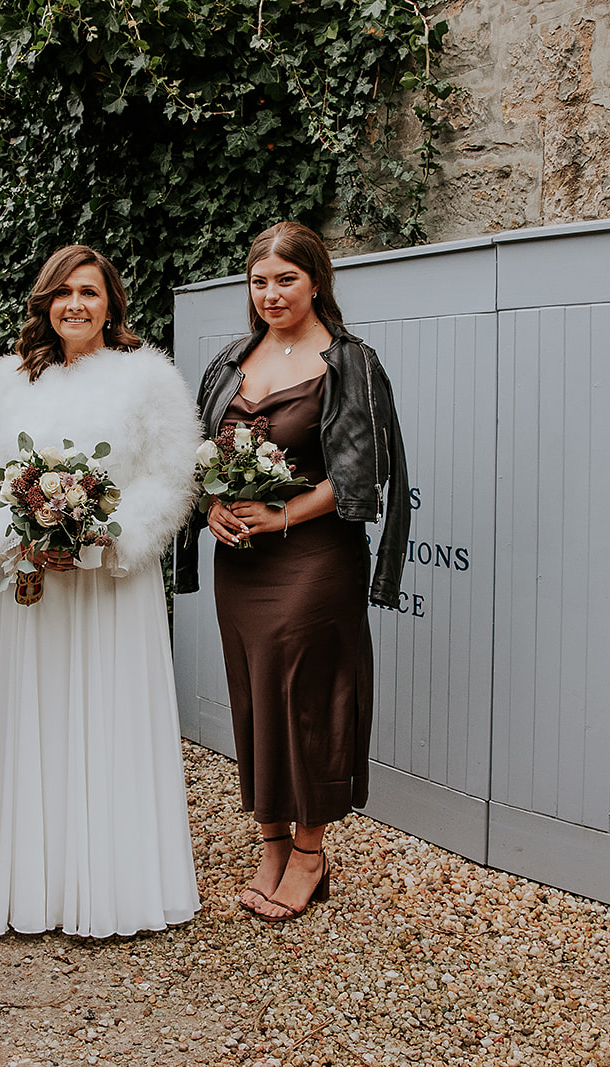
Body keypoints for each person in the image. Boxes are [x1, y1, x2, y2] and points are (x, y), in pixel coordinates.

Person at [0, 244, 202, 937]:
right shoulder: (7, 382)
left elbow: (169, 473)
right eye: (62, 292)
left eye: (89, 292)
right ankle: (36, 885)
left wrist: (105, 537)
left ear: (111, 304)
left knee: (110, 714)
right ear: (44, 302)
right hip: (33, 584)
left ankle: (118, 887)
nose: (75, 304)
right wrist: (18, 537)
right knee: (40, 718)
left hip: (110, 587)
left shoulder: (145, 378)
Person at [175, 220, 409, 922]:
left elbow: (358, 475)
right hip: (240, 562)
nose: (271, 293)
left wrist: (280, 516)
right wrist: (212, 503)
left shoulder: (350, 362)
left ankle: (311, 851)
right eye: (259, 280)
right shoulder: (228, 361)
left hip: (312, 556)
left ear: (315, 282)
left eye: (286, 279)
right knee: (254, 695)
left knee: (310, 697)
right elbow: (198, 451)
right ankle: (271, 843)